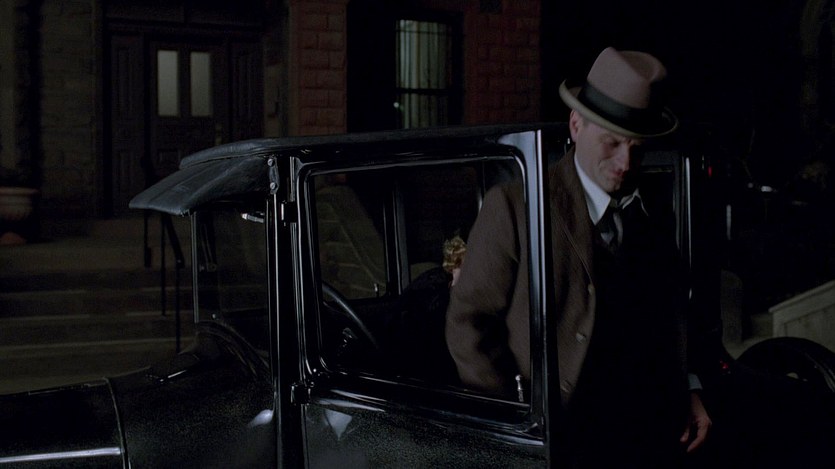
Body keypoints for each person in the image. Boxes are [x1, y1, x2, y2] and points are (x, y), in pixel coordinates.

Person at [445, 47, 711, 466]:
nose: (625, 163)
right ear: (576, 124)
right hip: (558, 440)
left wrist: (689, 389)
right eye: (612, 143)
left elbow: (670, 317)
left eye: (637, 148)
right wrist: (513, 428)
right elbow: (468, 324)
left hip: (643, 433)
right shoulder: (515, 207)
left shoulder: (654, 213)